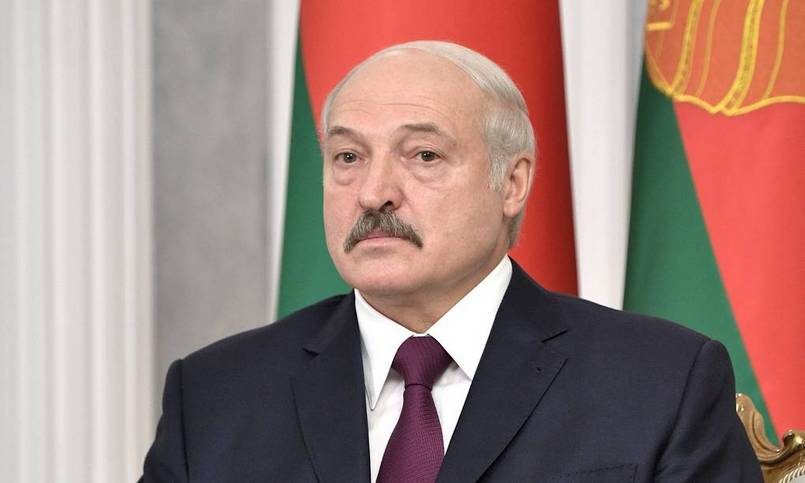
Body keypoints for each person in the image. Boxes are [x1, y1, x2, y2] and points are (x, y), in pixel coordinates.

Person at [141, 41, 761, 482]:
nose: (374, 192)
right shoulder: (215, 396)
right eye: (349, 157)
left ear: (512, 183)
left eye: (424, 156)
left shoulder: (660, 383)